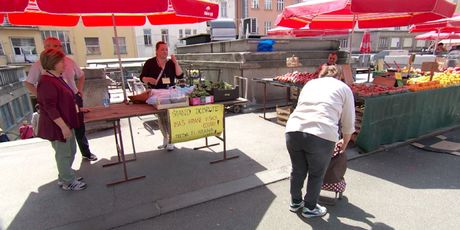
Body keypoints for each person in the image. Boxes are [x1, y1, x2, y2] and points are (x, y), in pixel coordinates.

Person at [285, 65, 355, 218]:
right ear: (339, 77)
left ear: (320, 75)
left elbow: (301, 106)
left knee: (297, 170)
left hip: (293, 130)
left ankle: (295, 201)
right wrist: (345, 141)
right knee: (316, 173)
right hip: (321, 134)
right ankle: (310, 207)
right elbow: (348, 122)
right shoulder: (343, 88)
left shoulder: (310, 84)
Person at [24, 37, 97, 161]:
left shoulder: (69, 61)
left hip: (73, 98)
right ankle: (66, 170)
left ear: (61, 47)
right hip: (57, 102)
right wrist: (42, 96)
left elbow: (81, 75)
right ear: (44, 48)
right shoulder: (40, 67)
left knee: (79, 128)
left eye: (56, 46)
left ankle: (85, 153)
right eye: (49, 46)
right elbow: (29, 83)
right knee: (62, 134)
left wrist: (79, 91)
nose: (53, 48)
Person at [36, 48, 87, 191]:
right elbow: (49, 107)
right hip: (58, 125)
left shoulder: (56, 77)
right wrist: (63, 127)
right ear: (52, 63)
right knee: (64, 153)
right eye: (61, 61)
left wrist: (78, 110)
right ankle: (67, 181)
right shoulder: (46, 81)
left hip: (65, 121)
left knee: (70, 150)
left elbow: (65, 100)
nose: (64, 64)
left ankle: (65, 176)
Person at [140, 41, 184, 151]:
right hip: (157, 93)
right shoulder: (150, 63)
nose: (165, 51)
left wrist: (176, 62)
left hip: (170, 92)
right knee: (161, 117)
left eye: (166, 49)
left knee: (169, 117)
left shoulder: (170, 63)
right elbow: (142, 77)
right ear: (156, 51)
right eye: (162, 49)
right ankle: (165, 137)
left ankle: (171, 140)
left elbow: (180, 76)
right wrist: (148, 79)